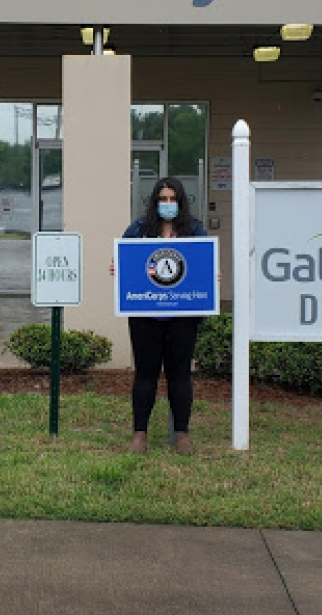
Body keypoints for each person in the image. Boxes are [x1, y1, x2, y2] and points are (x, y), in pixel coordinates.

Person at [117, 176, 208, 455]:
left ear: (181, 202)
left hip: (183, 317)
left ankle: (181, 434)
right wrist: (117, 268)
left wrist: (212, 274)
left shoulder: (195, 230)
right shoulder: (139, 229)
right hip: (145, 316)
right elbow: (124, 260)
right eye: (163, 199)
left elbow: (205, 264)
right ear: (155, 202)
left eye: (172, 199)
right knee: (145, 374)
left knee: (180, 375)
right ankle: (139, 434)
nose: (168, 204)